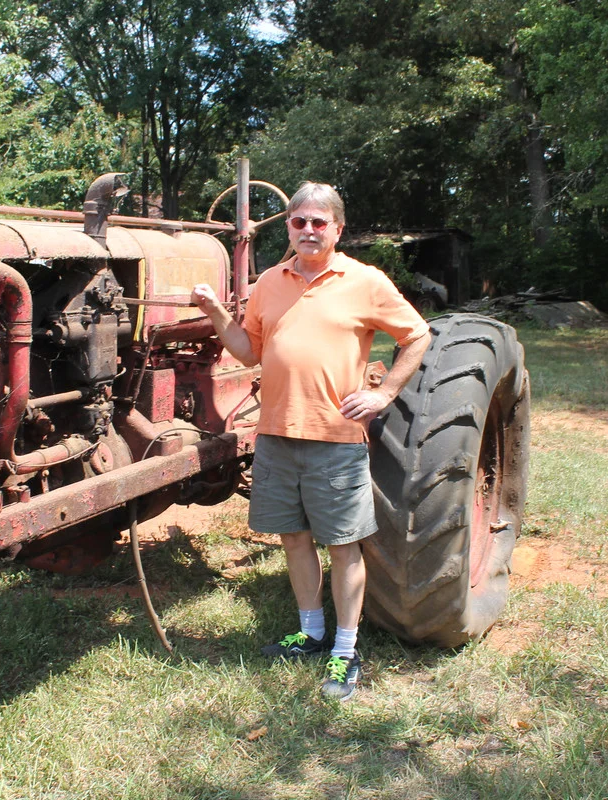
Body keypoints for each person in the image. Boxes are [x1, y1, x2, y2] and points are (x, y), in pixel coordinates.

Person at [191, 182, 431, 701]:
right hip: (275, 434)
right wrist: (215, 311)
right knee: (294, 538)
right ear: (289, 227)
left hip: (335, 438)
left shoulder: (363, 282)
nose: (307, 230)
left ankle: (346, 650)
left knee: (343, 546)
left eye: (319, 222)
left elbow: (417, 335)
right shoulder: (268, 283)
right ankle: (311, 631)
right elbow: (248, 352)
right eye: (298, 221)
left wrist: (386, 392)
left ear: (337, 229)